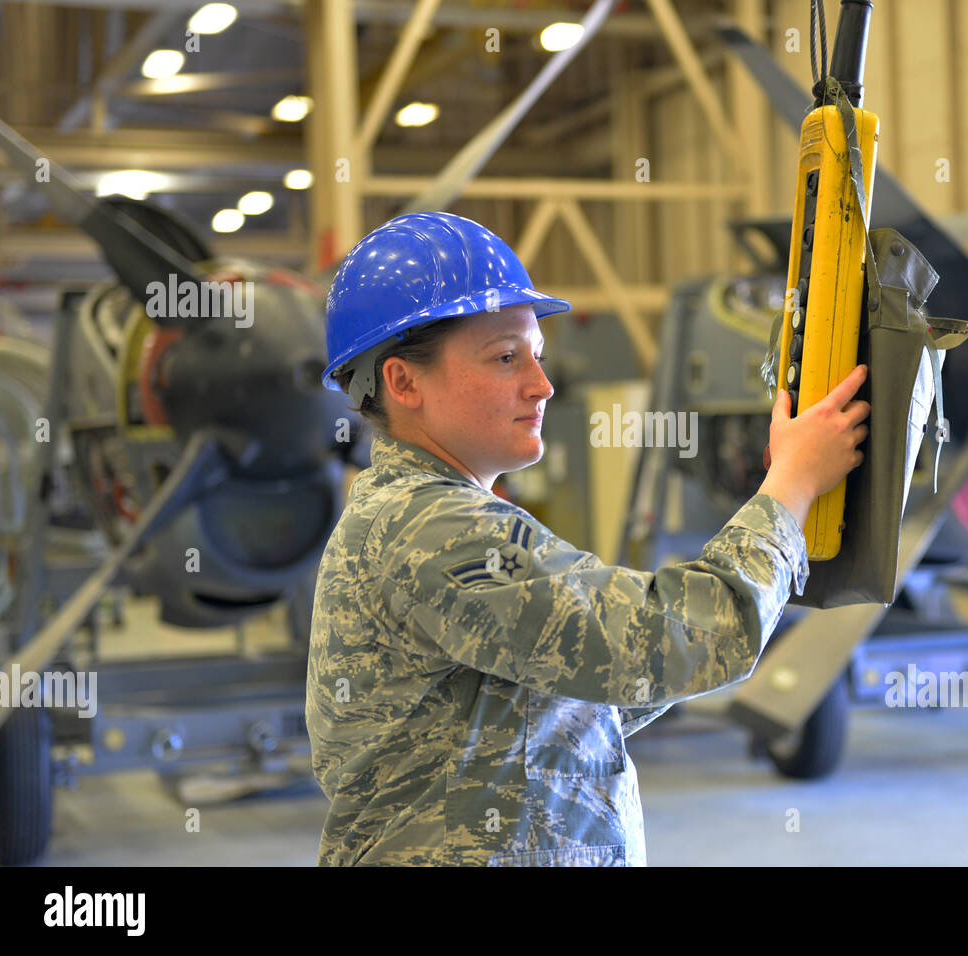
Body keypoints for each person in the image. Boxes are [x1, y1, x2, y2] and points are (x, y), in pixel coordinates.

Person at [305, 211, 871, 866]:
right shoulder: (430, 529)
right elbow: (667, 639)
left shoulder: (431, 514)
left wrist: (782, 516)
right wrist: (791, 487)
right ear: (403, 381)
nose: (542, 385)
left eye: (538, 357)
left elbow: (581, 696)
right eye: (506, 357)